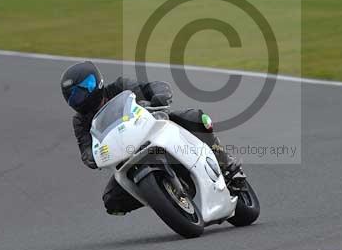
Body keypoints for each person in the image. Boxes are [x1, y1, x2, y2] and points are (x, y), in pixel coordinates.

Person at [60, 61, 243, 215]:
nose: (82, 96)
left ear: (97, 82)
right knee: (112, 201)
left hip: (155, 129)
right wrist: (92, 157)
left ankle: (227, 165)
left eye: (86, 88)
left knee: (197, 118)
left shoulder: (119, 86)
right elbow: (85, 148)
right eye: (74, 95)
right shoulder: (80, 121)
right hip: (126, 156)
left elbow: (151, 87)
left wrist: (158, 97)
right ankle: (161, 196)